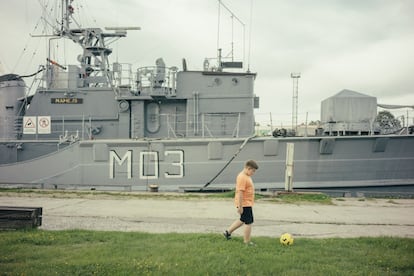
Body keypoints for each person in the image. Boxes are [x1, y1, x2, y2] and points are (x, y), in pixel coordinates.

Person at [223, 160, 258, 246]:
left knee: (243, 220)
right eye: (253, 171)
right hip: (245, 204)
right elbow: (240, 193)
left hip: (247, 203)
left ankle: (228, 232)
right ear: (248, 168)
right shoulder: (242, 177)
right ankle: (247, 242)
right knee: (248, 222)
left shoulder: (246, 176)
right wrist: (240, 206)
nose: (253, 173)